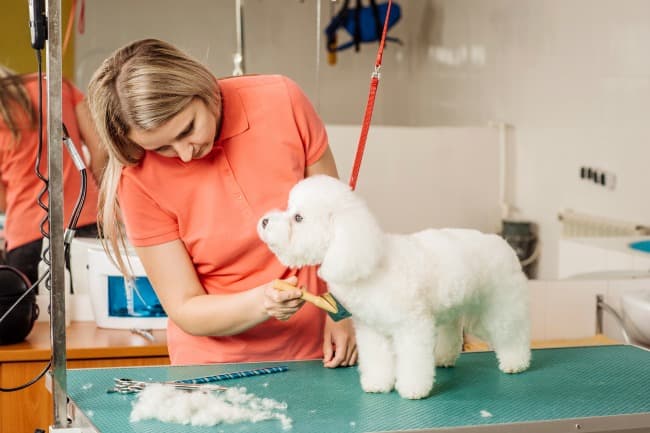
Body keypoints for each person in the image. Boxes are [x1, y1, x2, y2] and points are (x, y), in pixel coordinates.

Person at [86, 38, 357, 367]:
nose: (186, 154)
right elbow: (186, 306)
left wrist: (342, 312)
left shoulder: (282, 101)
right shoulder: (137, 180)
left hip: (322, 349)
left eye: (188, 129)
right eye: (163, 149)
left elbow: (337, 225)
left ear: (200, 88)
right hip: (215, 367)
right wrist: (263, 302)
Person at [0, 65, 106, 286]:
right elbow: (101, 149)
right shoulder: (55, 85)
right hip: (84, 222)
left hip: (26, 239)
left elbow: (1, 200)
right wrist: (97, 196)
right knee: (91, 315)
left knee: (34, 318)